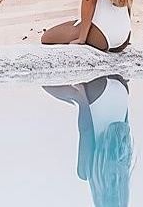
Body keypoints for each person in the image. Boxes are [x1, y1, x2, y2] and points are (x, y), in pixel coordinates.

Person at [43, 75, 134, 207]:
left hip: (121, 88)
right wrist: (81, 99)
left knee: (69, 99)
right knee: (47, 87)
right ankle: (79, 94)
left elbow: (125, 122)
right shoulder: (87, 173)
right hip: (99, 90)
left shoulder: (124, 169)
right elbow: (86, 130)